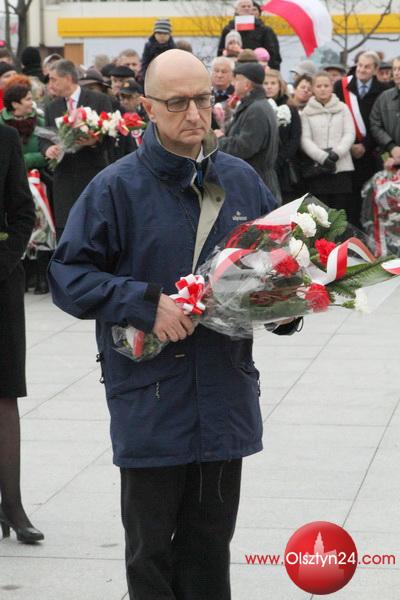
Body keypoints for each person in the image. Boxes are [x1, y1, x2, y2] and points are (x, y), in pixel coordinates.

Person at [47, 48, 302, 600]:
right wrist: (145, 303)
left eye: (203, 99)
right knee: (151, 554)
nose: (194, 113)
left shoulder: (241, 180)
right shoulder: (116, 187)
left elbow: (280, 264)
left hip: (225, 393)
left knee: (210, 548)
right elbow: (67, 275)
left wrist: (286, 307)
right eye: (177, 102)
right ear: (147, 107)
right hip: (151, 397)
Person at [0, 122, 44, 544]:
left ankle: (12, 506)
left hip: (0, 282)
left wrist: (4, 261)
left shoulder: (5, 138)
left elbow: (22, 212)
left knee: (4, 393)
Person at [39, 59, 113, 240]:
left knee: (95, 229)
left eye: (54, 79)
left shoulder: (98, 100)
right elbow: (43, 139)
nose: (50, 84)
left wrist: (93, 141)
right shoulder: (51, 107)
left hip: (92, 174)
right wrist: (48, 149)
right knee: (67, 233)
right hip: (64, 179)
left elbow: (112, 137)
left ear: (68, 78)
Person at [0, 75, 54, 294]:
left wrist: (6, 260)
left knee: (42, 229)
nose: (31, 103)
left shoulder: (33, 123)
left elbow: (22, 214)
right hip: (23, 176)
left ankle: (40, 275)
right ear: (14, 103)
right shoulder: (4, 122)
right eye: (27, 99)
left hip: (36, 182)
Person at [334, 51, 387, 226]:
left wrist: (365, 145)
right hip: (346, 153)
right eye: (360, 65)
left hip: (370, 154)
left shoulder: (382, 90)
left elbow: (380, 122)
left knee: (368, 200)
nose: (362, 70)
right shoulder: (341, 87)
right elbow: (336, 119)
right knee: (347, 203)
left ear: (375, 70)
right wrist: (349, 145)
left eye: (367, 67)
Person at [216, 61, 280, 200]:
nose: (233, 83)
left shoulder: (256, 109)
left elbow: (244, 147)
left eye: (237, 79)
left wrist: (220, 140)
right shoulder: (254, 105)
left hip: (256, 183)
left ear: (247, 85)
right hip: (252, 180)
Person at [300, 71, 355, 211]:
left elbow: (349, 133)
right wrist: (322, 157)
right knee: (320, 213)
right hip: (318, 169)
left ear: (332, 87)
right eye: (318, 86)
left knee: (340, 212)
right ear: (313, 89)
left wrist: (337, 153)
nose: (322, 89)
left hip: (341, 168)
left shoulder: (342, 108)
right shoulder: (306, 112)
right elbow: (305, 139)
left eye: (326, 85)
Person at [264, 69, 302, 203]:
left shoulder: (290, 107)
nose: (269, 86)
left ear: (280, 85)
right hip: (264, 164)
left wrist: (279, 159)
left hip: (284, 165)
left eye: (273, 83)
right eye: (266, 83)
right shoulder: (258, 107)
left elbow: (295, 137)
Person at [217, 0, 281, 70]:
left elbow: (273, 54)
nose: (246, 8)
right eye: (243, 6)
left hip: (258, 69)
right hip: (234, 69)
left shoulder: (265, 30)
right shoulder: (228, 30)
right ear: (236, 10)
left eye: (249, 6)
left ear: (252, 9)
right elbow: (220, 52)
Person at [370, 56, 400, 169]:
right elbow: (375, 125)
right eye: (395, 69)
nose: (396, 73)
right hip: (388, 157)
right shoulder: (384, 97)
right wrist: (392, 147)